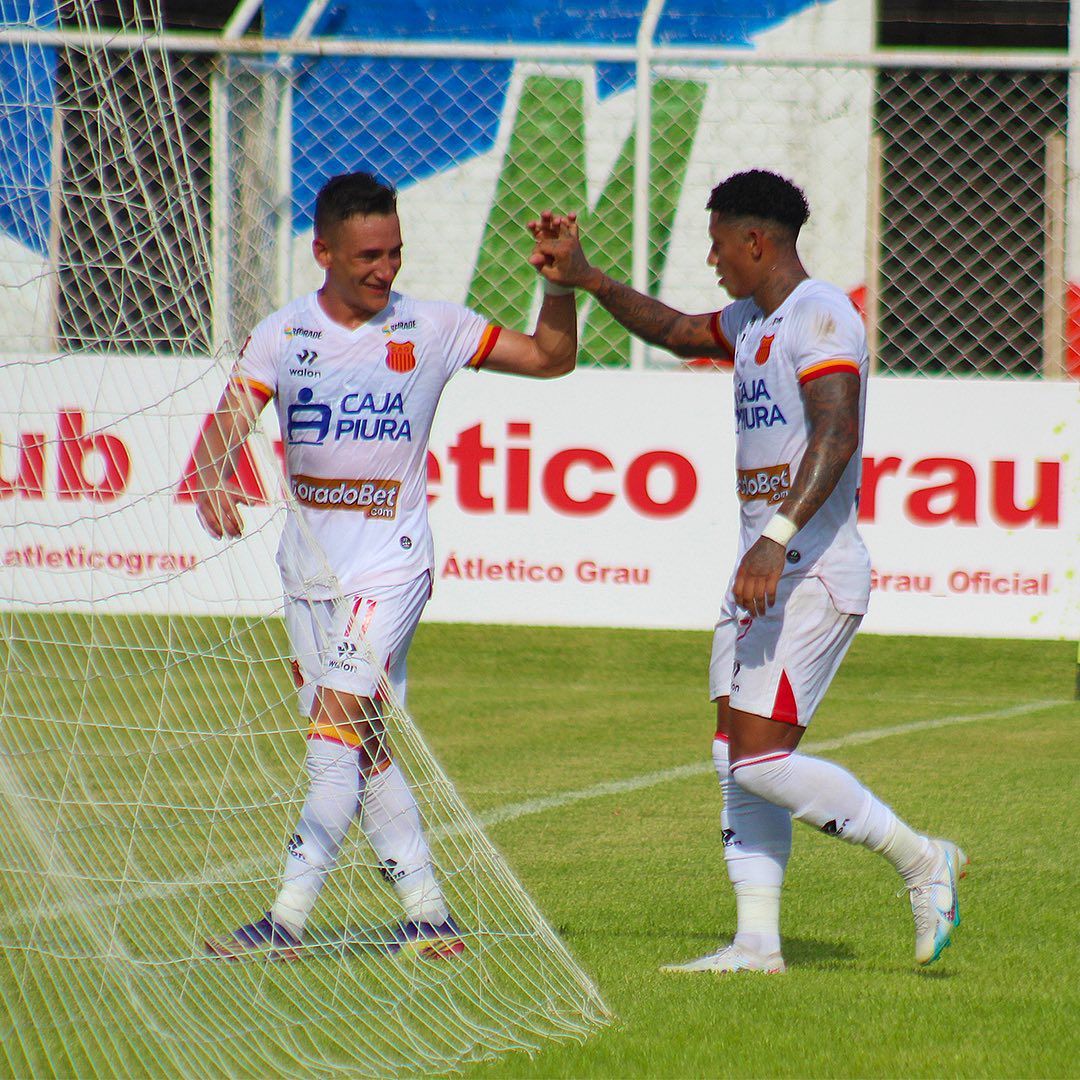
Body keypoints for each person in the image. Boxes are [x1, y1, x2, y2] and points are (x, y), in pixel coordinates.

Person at [531, 169, 966, 972]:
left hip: (811, 569)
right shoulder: (751, 321)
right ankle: (756, 942)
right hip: (761, 573)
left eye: (720, 242)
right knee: (734, 753)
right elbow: (675, 330)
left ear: (756, 241)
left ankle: (920, 859)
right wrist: (588, 278)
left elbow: (836, 435)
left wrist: (775, 536)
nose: (712, 258)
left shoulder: (822, 315)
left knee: (761, 758)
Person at [193, 172, 577, 961]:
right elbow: (222, 428)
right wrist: (211, 474)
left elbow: (549, 358)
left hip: (391, 570)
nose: (385, 269)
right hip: (306, 577)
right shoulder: (282, 334)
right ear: (322, 251)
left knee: (333, 739)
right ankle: (430, 918)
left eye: (395, 253)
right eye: (368, 255)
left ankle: (285, 921)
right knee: (363, 748)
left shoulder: (432, 327)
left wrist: (562, 285)